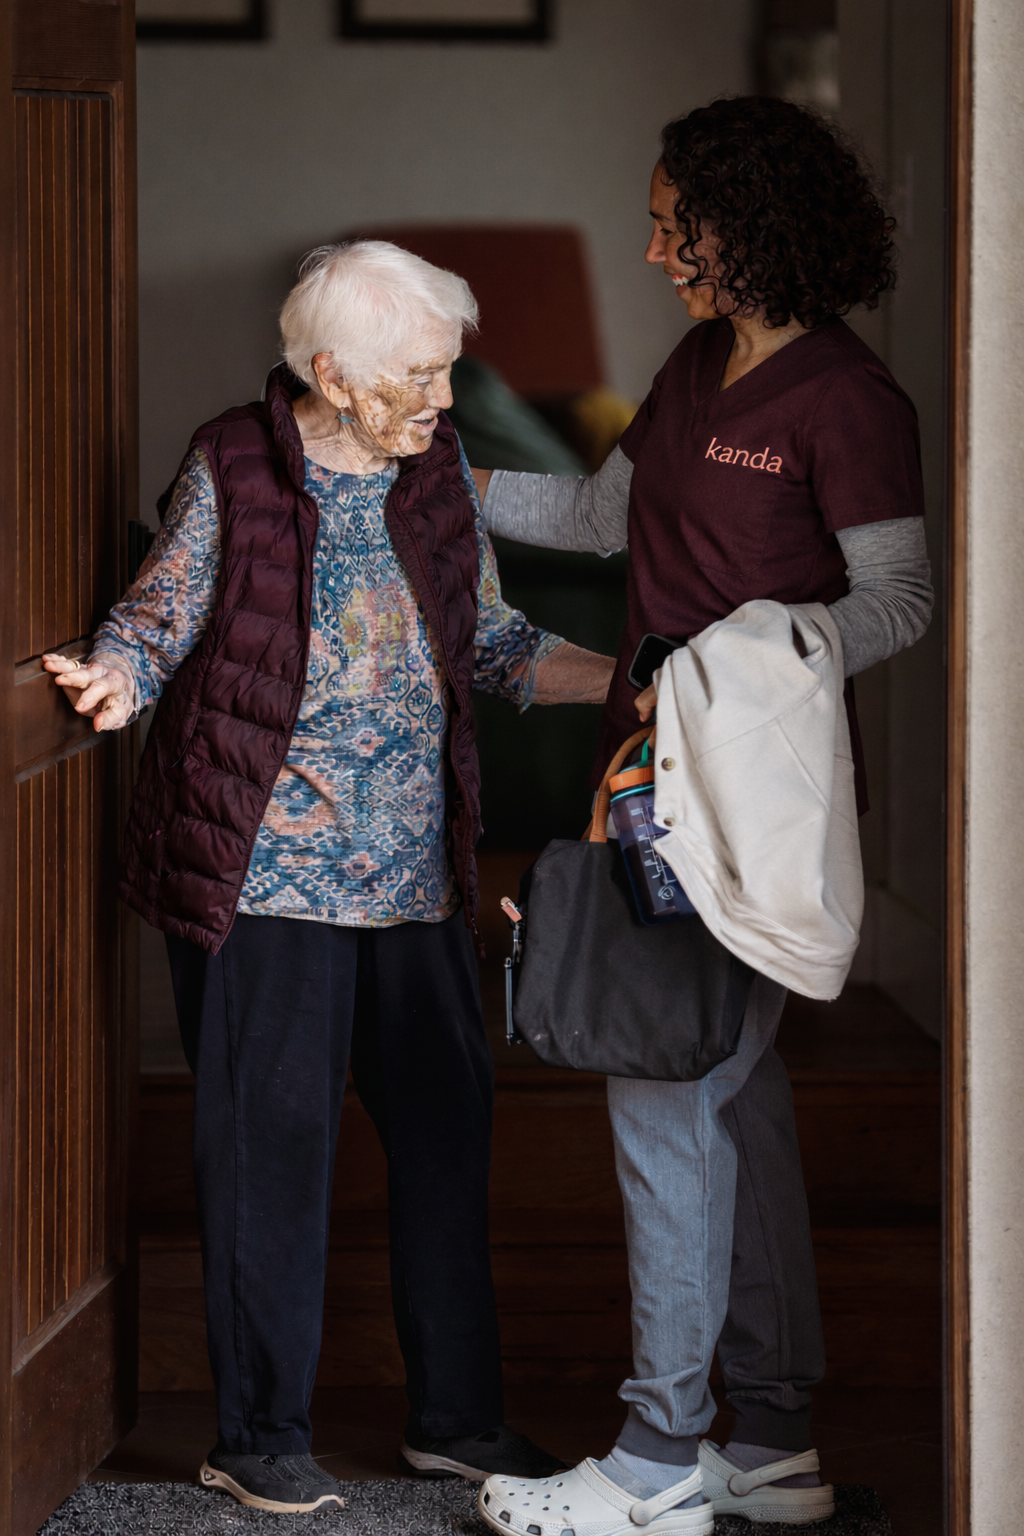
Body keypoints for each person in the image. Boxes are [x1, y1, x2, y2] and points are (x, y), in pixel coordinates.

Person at [44, 241, 615, 1515]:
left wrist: (638, 676)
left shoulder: (435, 468)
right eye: (419, 375)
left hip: (417, 878)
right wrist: (117, 676)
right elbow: (158, 615)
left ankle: (457, 1420)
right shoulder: (235, 464)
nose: (443, 399)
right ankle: (258, 1437)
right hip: (264, 878)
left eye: (447, 371)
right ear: (333, 373)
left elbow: (493, 641)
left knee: (445, 1142)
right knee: (271, 1154)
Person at [475, 97, 933, 1533]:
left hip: (749, 805)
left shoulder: (849, 400)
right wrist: (435, 477)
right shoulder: (694, 365)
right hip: (645, 788)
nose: (656, 249)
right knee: (732, 1101)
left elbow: (898, 601)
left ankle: (659, 1461)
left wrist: (750, 656)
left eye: (679, 225)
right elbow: (600, 522)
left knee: (666, 1104)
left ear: (756, 224)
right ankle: (773, 1441)